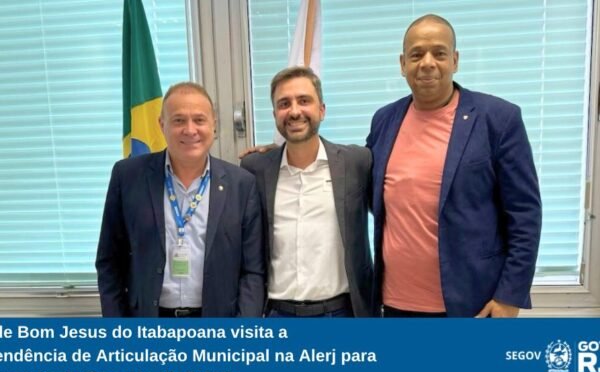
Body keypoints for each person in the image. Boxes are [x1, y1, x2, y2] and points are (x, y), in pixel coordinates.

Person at [367, 14, 542, 318]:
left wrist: (509, 296)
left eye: (439, 53)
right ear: (403, 64)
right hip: (395, 304)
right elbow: (369, 191)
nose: (427, 63)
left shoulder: (498, 119)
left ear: (455, 60)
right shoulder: (385, 119)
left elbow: (525, 214)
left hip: (472, 305)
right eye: (416, 55)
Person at [96, 82, 265, 317]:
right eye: (178, 120)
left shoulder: (241, 185)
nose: (190, 130)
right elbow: (109, 261)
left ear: (213, 125)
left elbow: (253, 271)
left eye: (199, 120)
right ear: (161, 124)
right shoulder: (128, 177)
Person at [241, 66, 373, 317]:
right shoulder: (255, 169)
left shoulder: (357, 162)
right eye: (284, 104)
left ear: (322, 110)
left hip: (341, 314)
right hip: (277, 315)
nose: (294, 112)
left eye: (304, 101)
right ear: (275, 114)